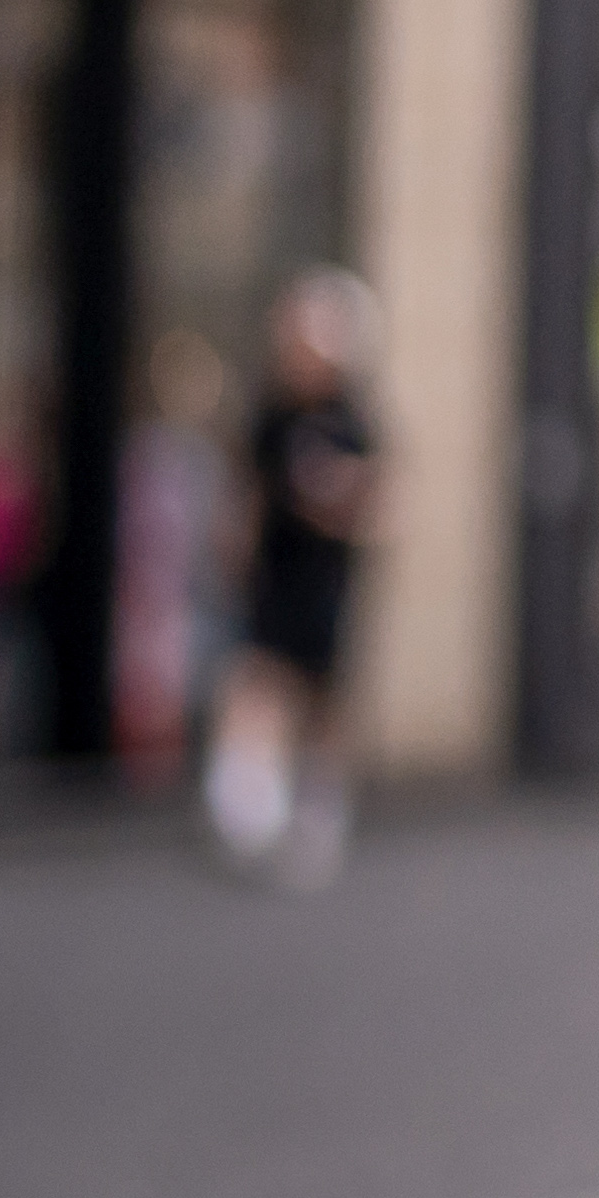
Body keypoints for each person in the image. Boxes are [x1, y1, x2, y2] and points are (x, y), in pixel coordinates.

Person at [208, 270, 381, 891]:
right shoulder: (273, 418)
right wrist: (235, 546)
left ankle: (317, 816)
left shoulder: (353, 420)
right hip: (277, 576)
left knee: (321, 699)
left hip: (327, 581)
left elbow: (380, 504)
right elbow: (248, 494)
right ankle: (247, 809)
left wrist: (344, 500)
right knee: (257, 680)